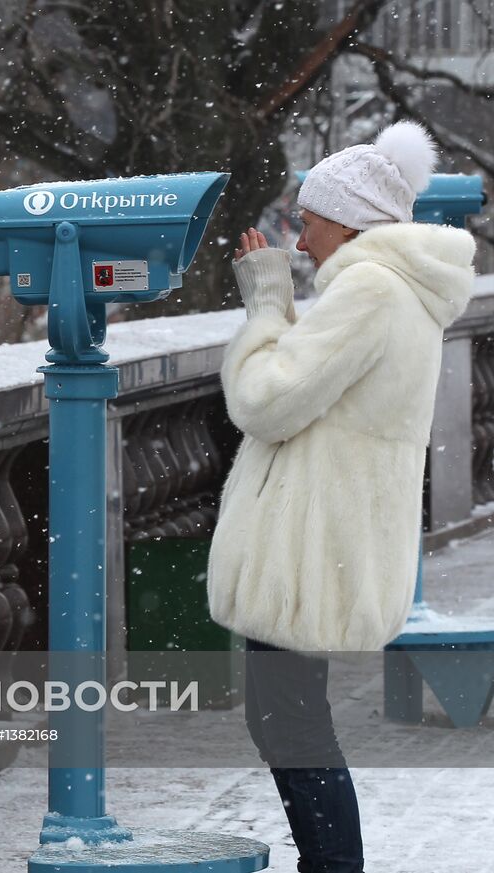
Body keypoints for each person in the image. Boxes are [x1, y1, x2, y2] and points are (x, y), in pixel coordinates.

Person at [207, 121, 476, 872]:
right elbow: (321, 385)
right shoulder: (398, 289)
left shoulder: (369, 288)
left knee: (290, 726)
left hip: (307, 543)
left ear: (351, 218)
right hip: (335, 534)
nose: (299, 228)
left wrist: (264, 300)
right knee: (291, 721)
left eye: (311, 214)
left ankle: (333, 866)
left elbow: (266, 400)